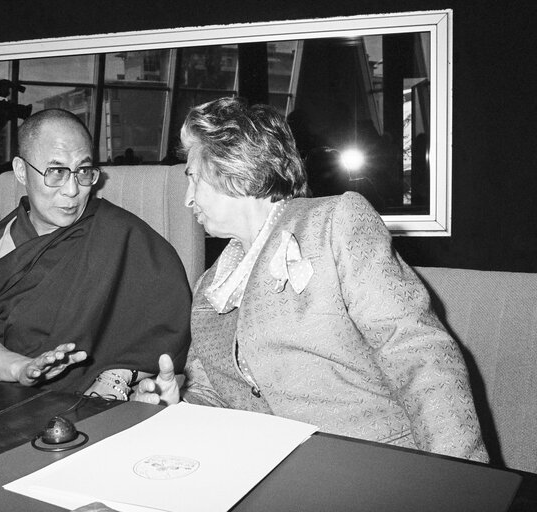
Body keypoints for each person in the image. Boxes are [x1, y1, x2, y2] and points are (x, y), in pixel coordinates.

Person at [134, 97, 488, 462]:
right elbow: (211, 393)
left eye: (192, 178)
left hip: (375, 465)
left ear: (233, 165)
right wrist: (176, 404)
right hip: (263, 472)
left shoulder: (334, 223)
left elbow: (418, 353)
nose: (188, 200)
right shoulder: (211, 287)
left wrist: (460, 480)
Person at [0, 109, 191, 398]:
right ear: (20, 171)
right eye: (56, 172)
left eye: (83, 171)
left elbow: (167, 338)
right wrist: (22, 367)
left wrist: (118, 376)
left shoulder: (122, 235)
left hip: (70, 398)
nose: (72, 190)